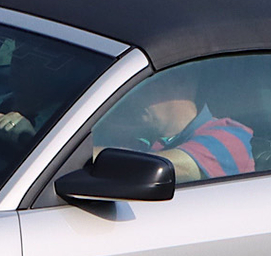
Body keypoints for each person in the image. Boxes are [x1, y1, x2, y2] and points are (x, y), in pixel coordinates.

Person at [104, 66, 253, 182]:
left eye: (143, 84)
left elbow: (173, 167)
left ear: (180, 80)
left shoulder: (227, 137)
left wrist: (93, 159)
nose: (133, 97)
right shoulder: (145, 140)